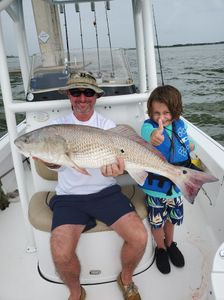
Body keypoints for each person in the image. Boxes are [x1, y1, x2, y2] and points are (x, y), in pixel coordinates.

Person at [40, 71, 147, 300]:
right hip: (69, 197)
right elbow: (56, 165)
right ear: (69, 95)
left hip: (105, 193)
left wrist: (120, 170)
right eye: (75, 92)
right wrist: (49, 159)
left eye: (88, 92)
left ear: (96, 96)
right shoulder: (56, 127)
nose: (82, 98)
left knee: (139, 237)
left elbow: (119, 161)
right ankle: (76, 292)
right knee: (59, 252)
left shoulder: (107, 125)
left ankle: (126, 279)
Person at [141, 85, 195, 274]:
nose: (161, 117)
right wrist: (155, 136)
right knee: (157, 221)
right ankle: (160, 248)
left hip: (177, 187)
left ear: (176, 111)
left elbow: (184, 142)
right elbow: (151, 136)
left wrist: (190, 146)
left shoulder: (180, 125)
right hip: (156, 188)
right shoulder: (149, 127)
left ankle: (170, 244)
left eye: (166, 112)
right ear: (150, 112)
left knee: (172, 218)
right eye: (156, 113)